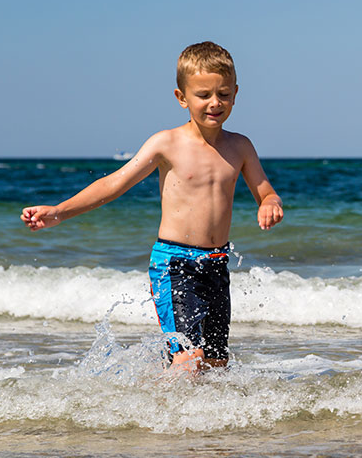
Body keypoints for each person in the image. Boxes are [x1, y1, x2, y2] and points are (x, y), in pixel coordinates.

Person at [21, 42, 284, 374]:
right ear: (182, 97)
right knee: (188, 359)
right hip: (175, 264)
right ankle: (158, 418)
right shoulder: (167, 143)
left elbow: (266, 192)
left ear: (235, 93)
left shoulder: (241, 146)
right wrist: (59, 211)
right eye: (203, 95)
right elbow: (114, 184)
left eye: (223, 94)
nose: (214, 103)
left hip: (217, 264)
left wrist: (270, 205)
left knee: (217, 363)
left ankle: (204, 423)